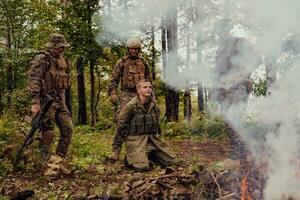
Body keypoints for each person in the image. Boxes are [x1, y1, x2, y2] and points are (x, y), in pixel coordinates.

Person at [213, 19, 260, 161]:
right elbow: (219, 71)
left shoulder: (239, 42)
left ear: (228, 29)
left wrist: (241, 76)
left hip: (238, 88)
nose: (220, 32)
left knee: (234, 119)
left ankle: (236, 156)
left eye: (223, 28)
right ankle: (243, 153)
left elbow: (256, 60)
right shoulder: (221, 48)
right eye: (218, 29)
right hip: (225, 90)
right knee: (229, 120)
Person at [27, 33, 73, 166]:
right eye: (59, 47)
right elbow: (34, 80)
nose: (62, 49)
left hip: (59, 101)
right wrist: (35, 102)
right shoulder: (42, 59)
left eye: (63, 47)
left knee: (67, 129)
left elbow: (63, 84)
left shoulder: (61, 60)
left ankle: (58, 159)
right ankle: (44, 162)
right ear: (52, 47)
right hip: (45, 101)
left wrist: (64, 102)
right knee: (48, 132)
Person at [107, 37, 152, 163]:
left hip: (141, 95)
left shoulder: (144, 63)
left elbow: (149, 81)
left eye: (136, 49)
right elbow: (113, 79)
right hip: (127, 94)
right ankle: (115, 150)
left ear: (139, 50)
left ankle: (143, 151)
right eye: (131, 49)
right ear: (128, 49)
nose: (133, 51)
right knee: (122, 121)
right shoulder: (122, 62)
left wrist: (152, 96)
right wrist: (112, 93)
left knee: (144, 122)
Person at [118, 79, 177, 171]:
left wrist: (159, 139)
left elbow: (158, 126)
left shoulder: (154, 106)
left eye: (150, 87)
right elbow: (121, 126)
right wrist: (129, 141)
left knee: (174, 161)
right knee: (142, 167)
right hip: (136, 141)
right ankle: (130, 158)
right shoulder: (131, 106)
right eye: (145, 87)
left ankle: (150, 155)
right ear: (138, 90)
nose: (148, 89)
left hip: (153, 140)